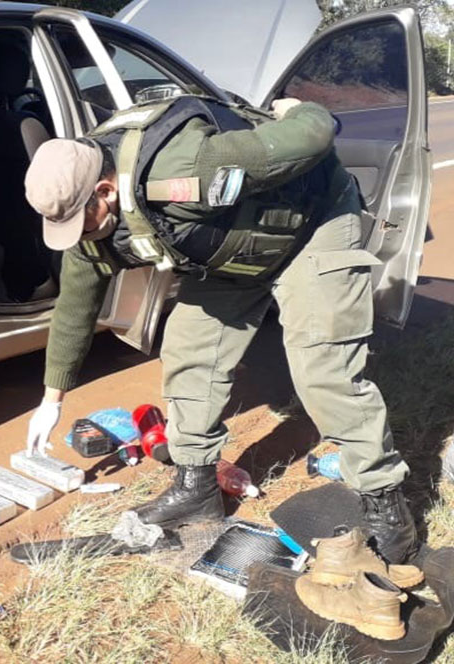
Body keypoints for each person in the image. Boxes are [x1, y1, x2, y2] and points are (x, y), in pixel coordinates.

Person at [22, 96, 417, 564]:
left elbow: (313, 134)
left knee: (322, 367)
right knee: (190, 351)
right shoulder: (87, 212)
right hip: (238, 246)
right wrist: (52, 399)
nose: (76, 235)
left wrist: (297, 109)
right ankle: (197, 488)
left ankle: (386, 507)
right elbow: (75, 306)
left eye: (77, 221)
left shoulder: (189, 167)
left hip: (315, 222)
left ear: (105, 190)